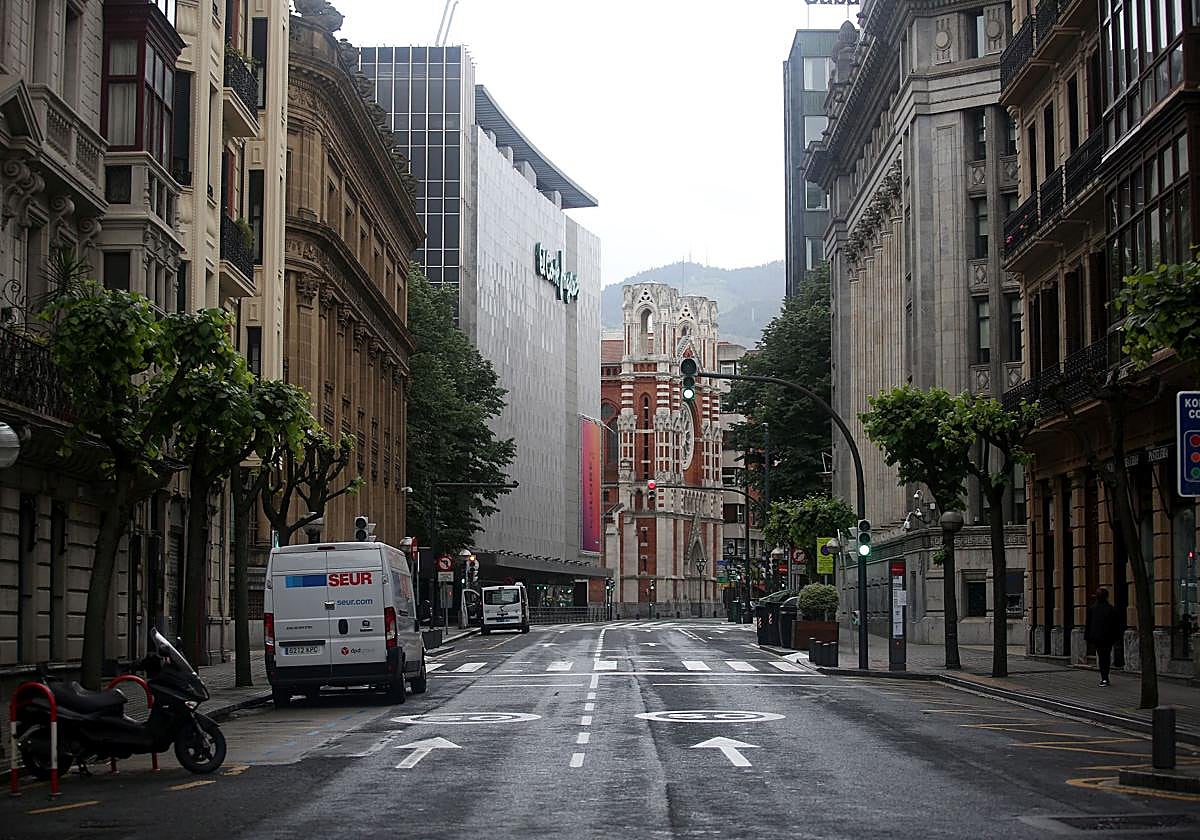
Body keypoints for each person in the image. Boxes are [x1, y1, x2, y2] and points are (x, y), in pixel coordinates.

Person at [1085, 587, 1120, 686]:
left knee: (1101, 657)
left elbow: (1088, 624)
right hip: (1107, 638)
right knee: (1106, 656)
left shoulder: (1093, 609)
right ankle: (1105, 677)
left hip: (1098, 638)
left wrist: (1088, 637)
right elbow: (1116, 625)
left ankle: (1104, 677)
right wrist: (1116, 637)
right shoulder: (1110, 609)